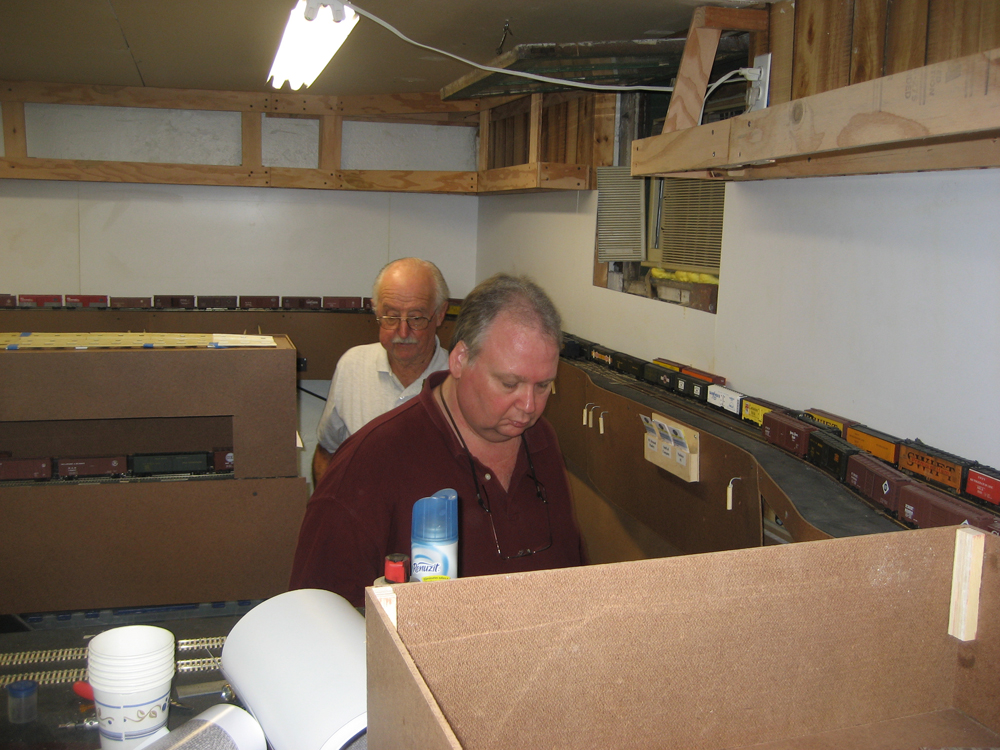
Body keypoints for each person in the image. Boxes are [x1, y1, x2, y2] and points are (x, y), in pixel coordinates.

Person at [290, 273, 586, 607]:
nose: (529, 406)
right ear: (460, 360)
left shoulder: (541, 439)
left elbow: (570, 572)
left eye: (543, 386)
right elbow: (316, 614)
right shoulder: (371, 461)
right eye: (509, 384)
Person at [312, 257, 451, 484]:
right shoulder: (352, 366)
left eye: (416, 318)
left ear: (440, 314)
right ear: (376, 310)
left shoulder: (460, 379)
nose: (403, 332)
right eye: (391, 316)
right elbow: (327, 451)